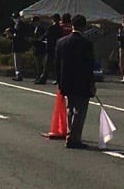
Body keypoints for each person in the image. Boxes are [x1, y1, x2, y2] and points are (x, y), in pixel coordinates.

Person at [54, 13, 99, 148]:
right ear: (84, 27)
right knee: (80, 111)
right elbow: (89, 65)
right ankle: (74, 138)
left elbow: (56, 64)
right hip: (82, 81)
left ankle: (70, 134)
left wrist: (59, 81)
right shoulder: (86, 43)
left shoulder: (61, 42)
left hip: (66, 80)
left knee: (70, 108)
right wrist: (92, 82)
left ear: (72, 25)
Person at [34, 16, 57, 84]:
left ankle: (43, 78)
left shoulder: (50, 27)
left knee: (45, 65)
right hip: (52, 47)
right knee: (49, 64)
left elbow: (45, 35)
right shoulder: (57, 28)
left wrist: (40, 39)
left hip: (48, 48)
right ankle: (40, 77)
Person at [8, 14, 29, 80]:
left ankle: (19, 74)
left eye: (15, 18)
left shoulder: (20, 25)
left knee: (18, 60)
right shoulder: (16, 25)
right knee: (17, 60)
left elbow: (18, 34)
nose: (14, 19)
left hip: (19, 45)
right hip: (16, 44)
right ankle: (18, 74)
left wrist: (11, 30)